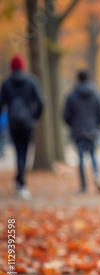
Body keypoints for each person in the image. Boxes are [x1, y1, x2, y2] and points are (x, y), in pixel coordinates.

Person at [0, 54, 44, 200]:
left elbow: (1, 105)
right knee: (24, 152)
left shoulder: (6, 83)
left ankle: (20, 181)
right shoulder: (31, 81)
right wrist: (35, 117)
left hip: (13, 123)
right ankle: (21, 182)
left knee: (18, 151)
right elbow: (41, 102)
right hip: (27, 123)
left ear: (11, 67)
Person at [63, 70, 100, 193]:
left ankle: (83, 186)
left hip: (78, 130)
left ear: (77, 79)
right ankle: (97, 175)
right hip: (92, 130)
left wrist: (73, 125)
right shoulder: (96, 95)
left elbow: (65, 115)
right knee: (93, 155)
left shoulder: (71, 96)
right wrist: (96, 126)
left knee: (81, 157)